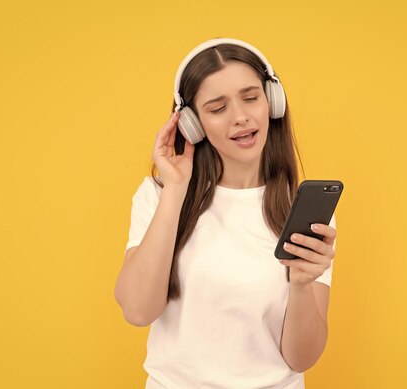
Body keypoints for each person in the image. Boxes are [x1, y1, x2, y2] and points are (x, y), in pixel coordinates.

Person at [114, 38, 337, 388]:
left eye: (251, 98)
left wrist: (302, 284)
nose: (241, 117)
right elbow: (138, 311)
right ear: (192, 124)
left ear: (272, 102)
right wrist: (175, 189)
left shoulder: (301, 209)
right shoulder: (158, 196)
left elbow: (301, 358)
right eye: (218, 108)